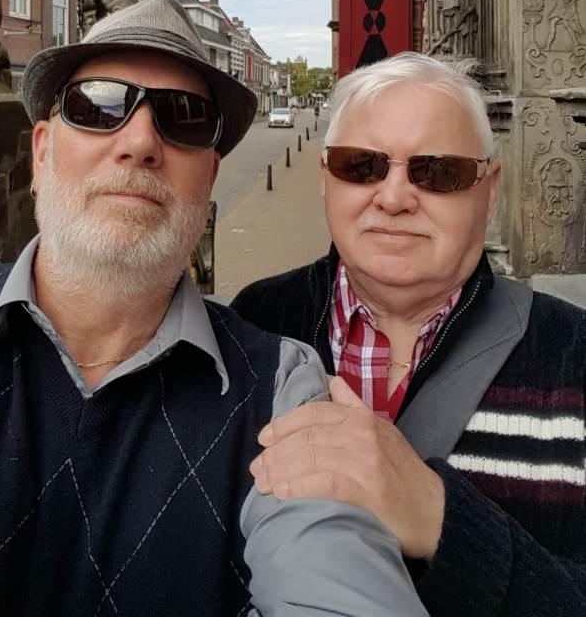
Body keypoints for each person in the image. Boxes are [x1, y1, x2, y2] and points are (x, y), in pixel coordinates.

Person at [0, 0, 427, 617]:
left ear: (209, 179)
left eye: (183, 117)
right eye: (98, 106)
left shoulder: (284, 389)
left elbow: (335, 580)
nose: (139, 142)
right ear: (40, 153)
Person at [232, 52, 586, 617]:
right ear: (324, 179)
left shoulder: (574, 355)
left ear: (490, 190)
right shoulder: (254, 323)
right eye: (361, 165)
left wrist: (441, 518)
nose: (393, 197)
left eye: (437, 172)